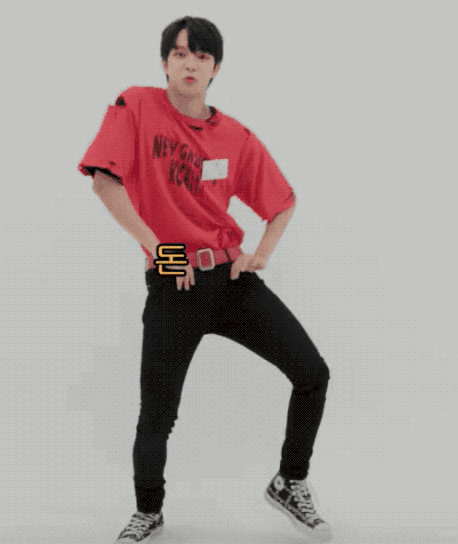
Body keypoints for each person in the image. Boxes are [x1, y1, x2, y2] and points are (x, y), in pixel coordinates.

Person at [78, 15, 332, 544]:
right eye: (179, 53)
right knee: (158, 410)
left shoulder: (235, 136)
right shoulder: (136, 106)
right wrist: (164, 253)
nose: (190, 63)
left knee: (312, 372)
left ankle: (290, 481)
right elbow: (105, 183)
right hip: (174, 282)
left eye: (201, 55)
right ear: (164, 63)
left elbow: (283, 203)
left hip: (231, 281)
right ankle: (149, 511)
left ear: (216, 68)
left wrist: (259, 255)